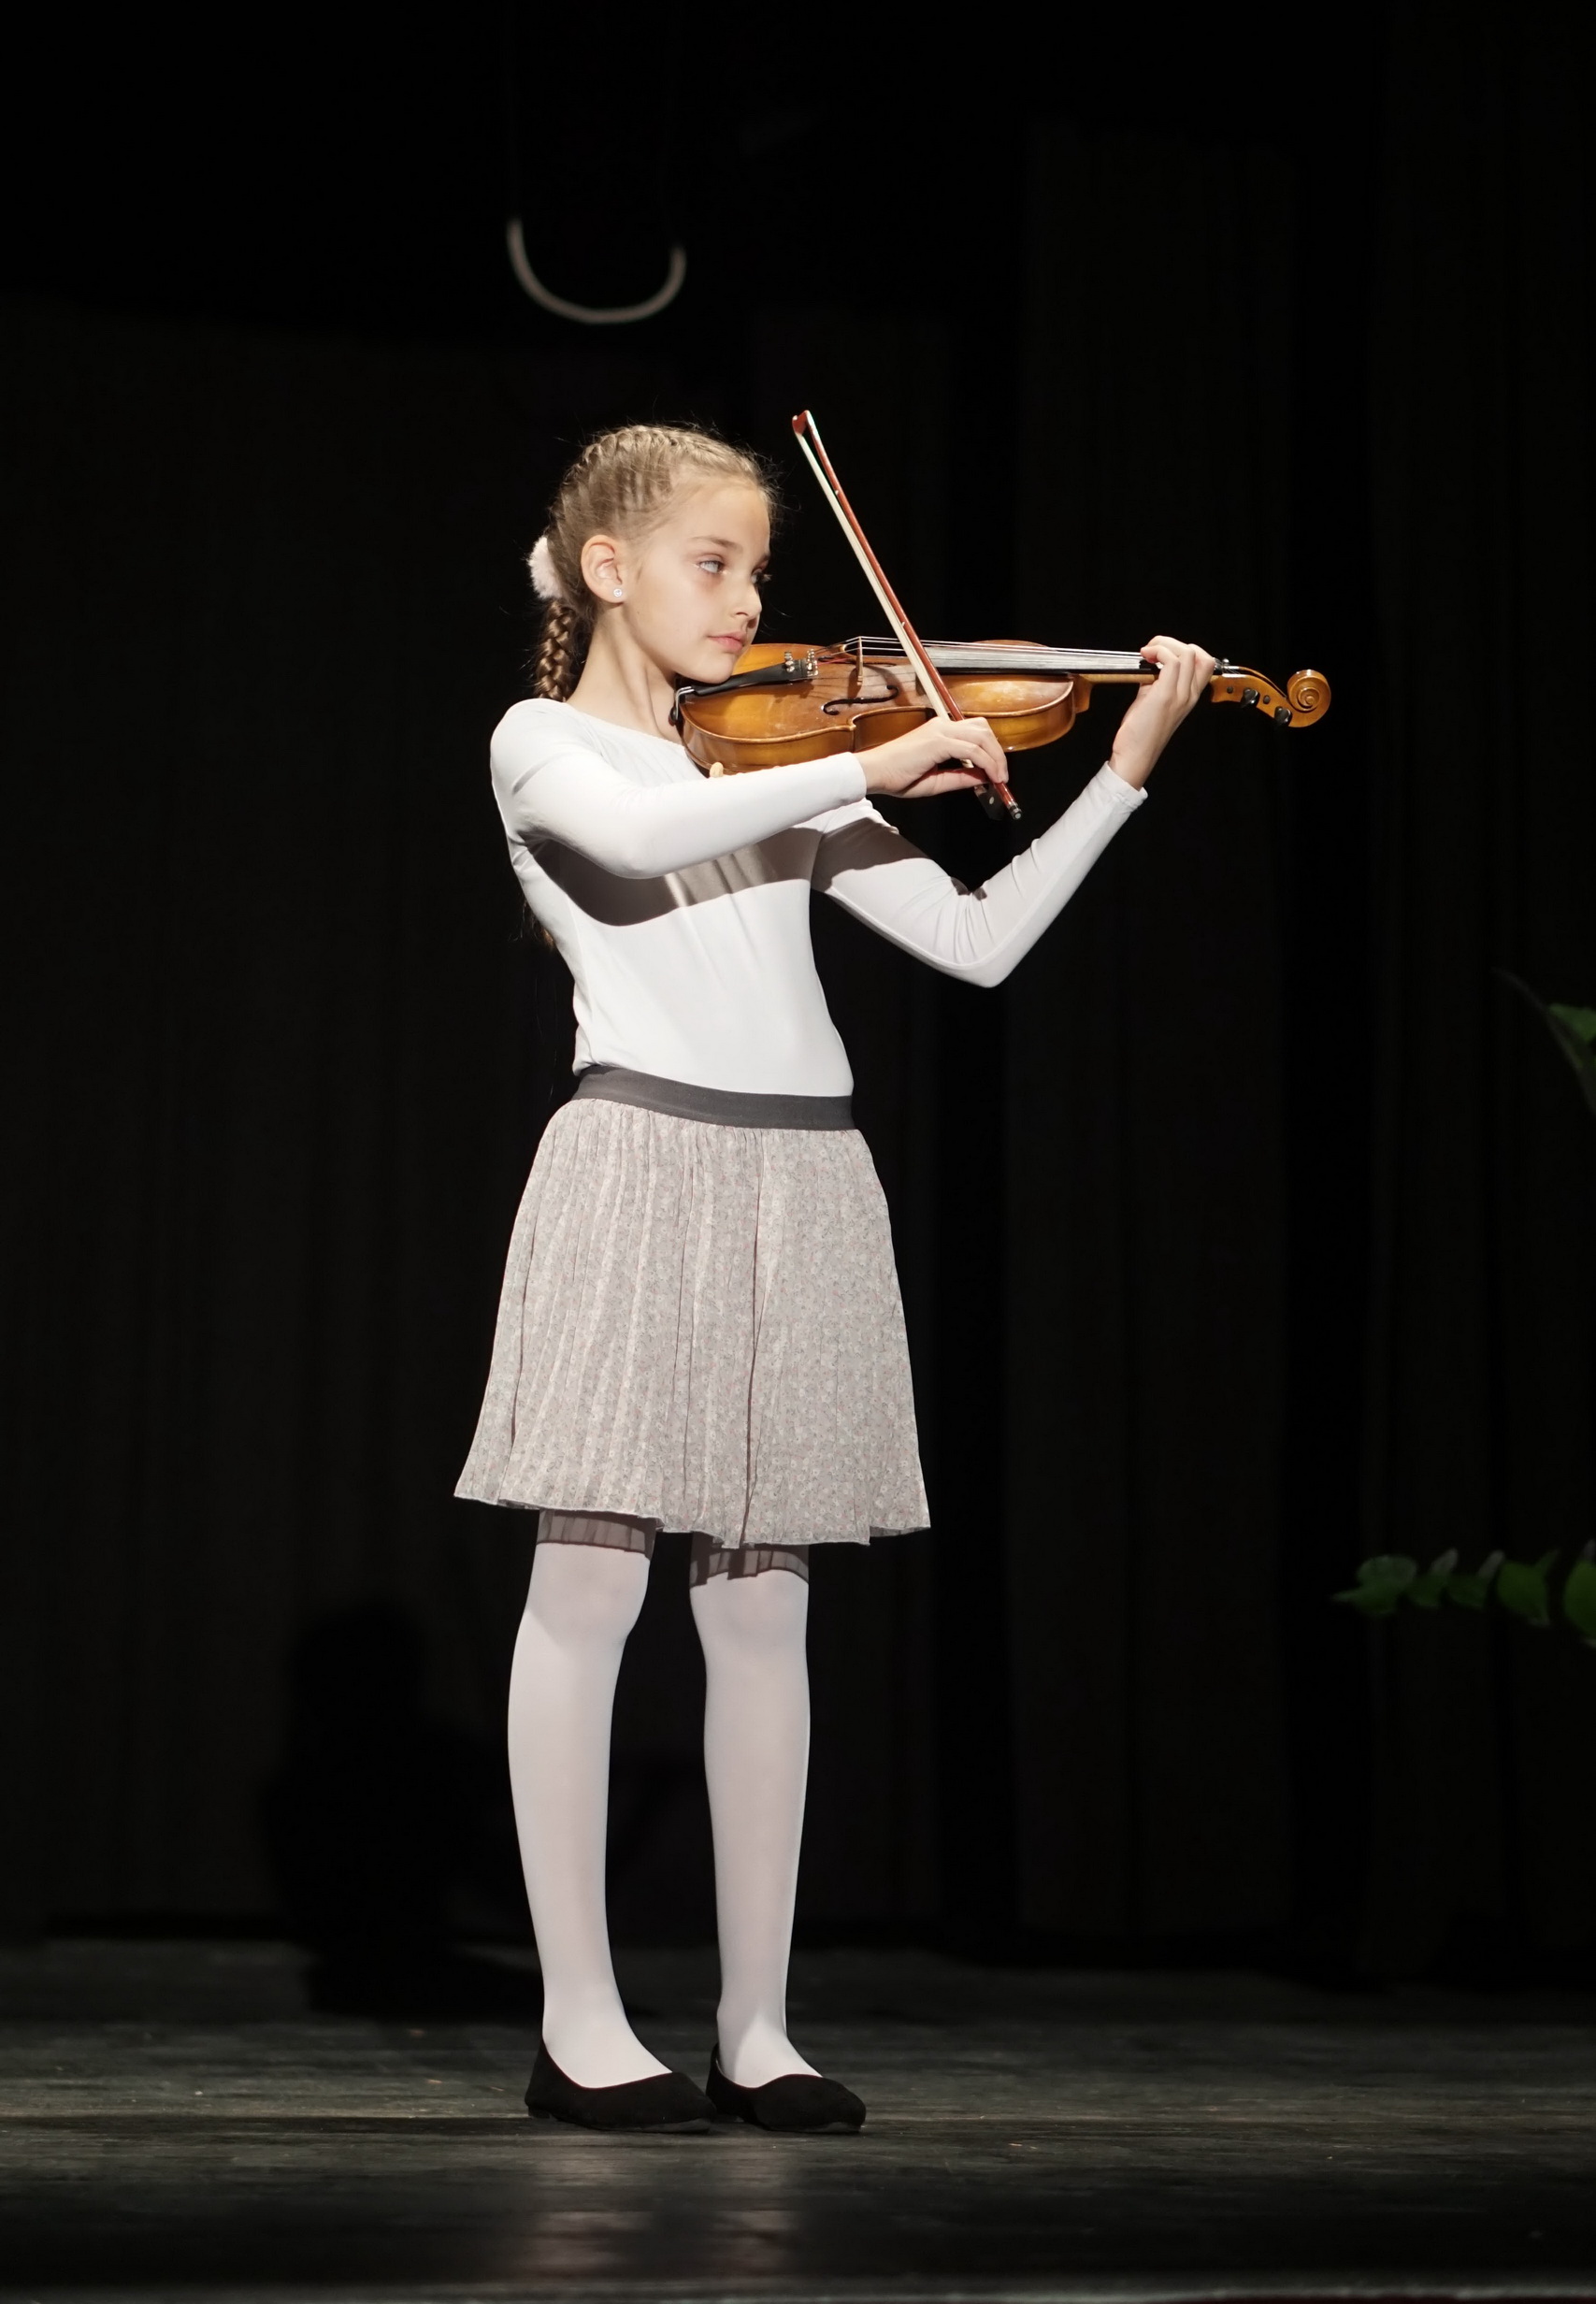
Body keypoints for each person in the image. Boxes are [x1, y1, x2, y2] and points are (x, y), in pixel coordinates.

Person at [456, 424, 1213, 2133]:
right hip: (638, 1158)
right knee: (590, 1586)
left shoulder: (790, 763)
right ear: (606, 569)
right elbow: (639, 843)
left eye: (761, 570)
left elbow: (980, 942)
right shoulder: (545, 743)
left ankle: (759, 2027)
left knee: (764, 1612)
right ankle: (581, 2020)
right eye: (714, 563)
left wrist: (1121, 770)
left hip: (806, 1179)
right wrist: (870, 761)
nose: (750, 603)